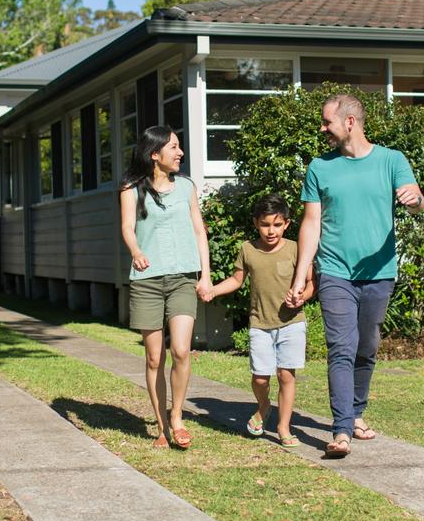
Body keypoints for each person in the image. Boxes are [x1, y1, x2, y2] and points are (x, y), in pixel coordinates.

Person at [288, 94, 424, 458]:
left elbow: (416, 199)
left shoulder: (391, 160)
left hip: (379, 273)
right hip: (335, 271)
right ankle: (342, 429)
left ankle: (357, 412)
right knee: (341, 348)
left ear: (349, 122)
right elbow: (312, 223)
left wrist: (416, 199)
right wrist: (302, 275)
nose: (322, 129)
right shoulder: (320, 167)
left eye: (327, 122)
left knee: (367, 347)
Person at [119, 125, 212, 449]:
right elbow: (128, 228)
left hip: (183, 277)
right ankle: (160, 426)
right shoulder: (131, 189)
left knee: (182, 350)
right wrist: (136, 252)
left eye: (180, 147)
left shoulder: (186, 186)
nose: (180, 152)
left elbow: (200, 231)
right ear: (154, 153)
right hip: (147, 281)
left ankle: (177, 419)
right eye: (173, 147)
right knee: (154, 358)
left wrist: (206, 274)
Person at [203, 194, 314, 448]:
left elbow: (310, 282)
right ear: (256, 223)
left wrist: (302, 297)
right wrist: (213, 290)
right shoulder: (248, 249)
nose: (271, 231)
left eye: (276, 225)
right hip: (260, 324)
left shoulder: (296, 248)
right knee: (260, 378)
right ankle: (264, 405)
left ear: (286, 224)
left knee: (286, 375)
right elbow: (236, 280)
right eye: (265, 224)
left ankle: (283, 427)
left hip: (291, 322)